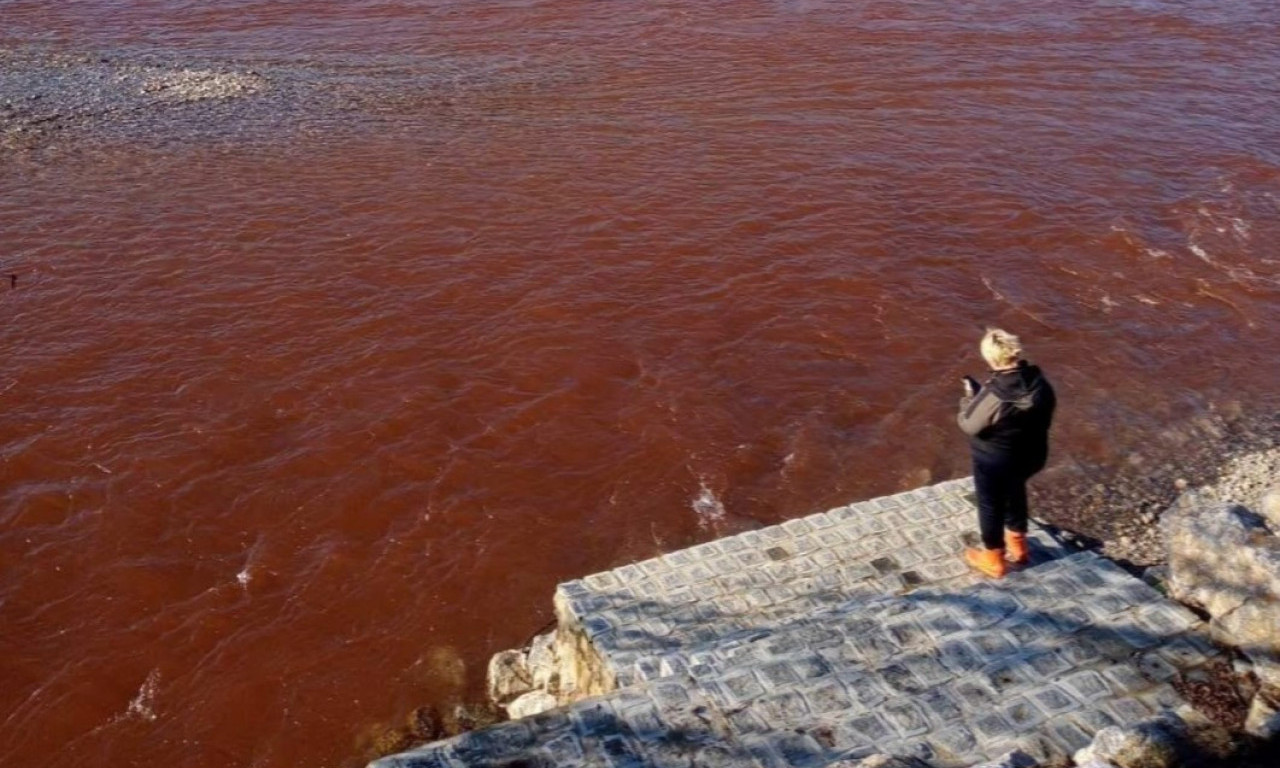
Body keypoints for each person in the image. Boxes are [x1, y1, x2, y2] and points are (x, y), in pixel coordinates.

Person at [957, 328, 1056, 578]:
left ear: (991, 358)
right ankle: (1018, 546)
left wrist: (969, 399)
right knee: (1015, 490)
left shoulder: (996, 394)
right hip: (1032, 456)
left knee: (990, 504)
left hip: (995, 462)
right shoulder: (1040, 383)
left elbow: (969, 424)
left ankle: (993, 558)